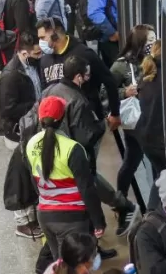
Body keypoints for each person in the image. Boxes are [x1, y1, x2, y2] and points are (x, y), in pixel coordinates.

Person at [38, 56, 137, 238]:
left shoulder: (50, 90)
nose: (89, 78)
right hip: (75, 157)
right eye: (87, 75)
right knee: (88, 185)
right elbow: (87, 136)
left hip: (56, 154)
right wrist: (102, 124)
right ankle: (120, 207)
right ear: (78, 77)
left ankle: (121, 205)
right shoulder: (79, 101)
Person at [25, 96, 105, 257]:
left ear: (40, 119)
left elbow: (33, 181)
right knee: (74, 270)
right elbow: (86, 188)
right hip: (72, 218)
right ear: (62, 119)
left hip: (45, 215)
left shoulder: (31, 143)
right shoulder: (73, 148)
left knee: (61, 267)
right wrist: (98, 221)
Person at [0, 33, 43, 237]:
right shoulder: (11, 75)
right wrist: (35, 105)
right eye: (35, 53)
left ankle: (30, 216)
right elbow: (8, 109)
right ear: (23, 53)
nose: (39, 56)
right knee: (21, 176)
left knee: (29, 175)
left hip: (30, 128)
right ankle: (23, 222)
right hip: (18, 132)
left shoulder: (30, 67)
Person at [36, 17, 122, 133]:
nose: (41, 42)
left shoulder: (84, 54)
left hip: (86, 123)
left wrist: (115, 113)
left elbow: (109, 81)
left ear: (55, 32)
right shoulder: (45, 60)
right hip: (59, 125)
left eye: (42, 37)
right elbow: (45, 90)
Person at [110, 26, 155, 201]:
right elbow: (105, 92)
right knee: (131, 162)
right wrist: (124, 92)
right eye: (149, 41)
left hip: (151, 119)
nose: (153, 44)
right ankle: (120, 200)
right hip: (135, 125)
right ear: (140, 43)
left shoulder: (155, 60)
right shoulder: (121, 66)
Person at [133, 41, 166, 180]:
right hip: (159, 142)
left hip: (146, 138)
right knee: (165, 183)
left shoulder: (146, 77)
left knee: (160, 179)